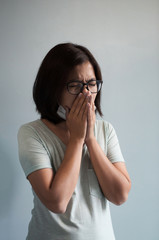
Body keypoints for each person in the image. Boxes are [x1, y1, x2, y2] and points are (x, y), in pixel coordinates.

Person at [17, 43, 131, 240]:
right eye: (75, 85)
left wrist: (91, 140)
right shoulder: (31, 133)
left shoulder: (106, 130)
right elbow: (57, 202)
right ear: (53, 89)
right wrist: (77, 140)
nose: (86, 94)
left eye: (92, 84)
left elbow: (120, 195)